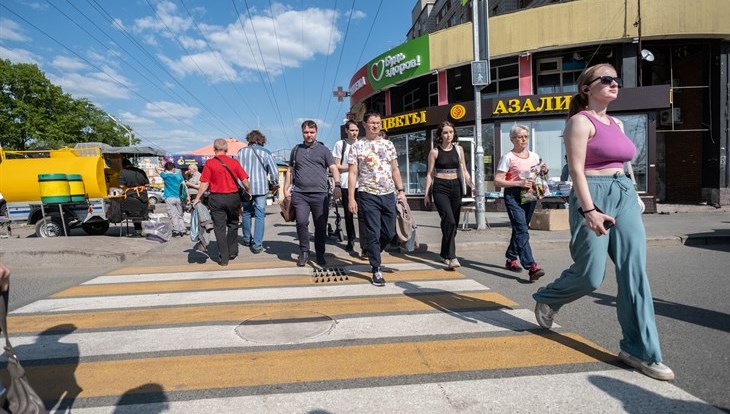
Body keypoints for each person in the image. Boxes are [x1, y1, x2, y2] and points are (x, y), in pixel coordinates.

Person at [533, 63, 674, 381]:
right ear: (587, 88)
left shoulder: (618, 124)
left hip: (623, 194)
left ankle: (641, 351)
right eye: (606, 79)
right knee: (590, 275)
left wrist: (634, 194)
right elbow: (577, 170)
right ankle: (548, 298)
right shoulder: (579, 122)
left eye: (616, 79)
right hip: (591, 196)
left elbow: (624, 166)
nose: (614, 83)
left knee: (634, 274)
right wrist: (589, 210)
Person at [348, 112, 407, 286]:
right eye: (372, 123)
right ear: (364, 125)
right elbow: (352, 173)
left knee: (389, 233)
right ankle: (376, 269)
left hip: (388, 194)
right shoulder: (357, 147)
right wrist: (352, 198)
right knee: (373, 232)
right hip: (367, 194)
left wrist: (401, 190)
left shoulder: (388, 145)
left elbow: (395, 169)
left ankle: (374, 252)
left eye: (378, 123)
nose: (375, 126)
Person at [284, 120, 342, 267]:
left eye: (311, 132)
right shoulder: (296, 150)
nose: (309, 135)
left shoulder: (324, 150)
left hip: (320, 195)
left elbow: (334, 168)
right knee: (301, 222)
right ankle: (304, 251)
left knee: (320, 226)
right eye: (306, 132)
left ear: (316, 132)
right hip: (300, 194)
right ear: (302, 132)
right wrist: (286, 189)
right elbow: (290, 171)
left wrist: (337, 186)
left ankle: (320, 253)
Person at [494, 125, 547, 282]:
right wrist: (518, 183)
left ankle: (511, 258)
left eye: (526, 136)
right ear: (512, 139)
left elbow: (539, 174)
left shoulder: (535, 156)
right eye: (520, 137)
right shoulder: (508, 157)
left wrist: (543, 172)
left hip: (530, 194)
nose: (524, 139)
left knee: (520, 228)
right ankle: (531, 266)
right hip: (513, 195)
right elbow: (497, 180)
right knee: (522, 229)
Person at [424, 121, 475, 270]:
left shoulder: (459, 149)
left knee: (451, 223)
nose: (448, 135)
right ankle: (452, 257)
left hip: (456, 187)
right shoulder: (434, 152)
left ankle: (444, 253)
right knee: (450, 220)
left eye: (451, 132)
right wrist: (427, 194)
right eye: (445, 132)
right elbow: (429, 174)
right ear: (440, 135)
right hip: (440, 188)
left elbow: (464, 170)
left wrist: (472, 185)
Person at [192, 139, 250, 266]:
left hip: (216, 198)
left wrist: (197, 198)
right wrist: (248, 191)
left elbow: (204, 183)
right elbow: (244, 179)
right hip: (233, 198)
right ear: (227, 149)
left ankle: (224, 258)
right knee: (233, 224)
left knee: (219, 228)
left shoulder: (210, 163)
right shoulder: (234, 162)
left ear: (214, 148)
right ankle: (232, 251)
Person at [237, 130, 279, 254]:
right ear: (262, 140)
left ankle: (246, 239)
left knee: (246, 213)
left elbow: (237, 170)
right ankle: (257, 245)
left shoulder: (241, 152)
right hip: (261, 188)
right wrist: (276, 184)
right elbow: (274, 172)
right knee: (260, 215)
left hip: (245, 188)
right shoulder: (266, 153)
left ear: (249, 139)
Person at [332, 120, 362, 252]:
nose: (354, 133)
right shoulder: (340, 144)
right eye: (352, 130)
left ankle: (364, 242)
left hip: (361, 184)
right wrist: (351, 167)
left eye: (356, 130)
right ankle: (350, 239)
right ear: (346, 131)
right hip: (345, 183)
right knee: (348, 214)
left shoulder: (362, 144)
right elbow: (336, 165)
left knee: (363, 214)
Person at [117, 158, 149, 236]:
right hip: (143, 196)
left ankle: (138, 231)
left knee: (133, 212)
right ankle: (144, 230)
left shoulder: (123, 172)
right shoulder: (140, 171)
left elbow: (121, 185)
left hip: (130, 196)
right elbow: (147, 184)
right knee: (142, 213)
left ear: (123, 165)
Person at [156, 161, 189, 237]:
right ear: (173, 168)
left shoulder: (165, 175)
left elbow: (156, 168)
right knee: (180, 214)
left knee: (173, 215)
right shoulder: (179, 176)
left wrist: (164, 169)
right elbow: (184, 187)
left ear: (166, 168)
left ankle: (176, 230)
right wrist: (188, 196)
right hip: (179, 198)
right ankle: (183, 230)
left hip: (169, 198)